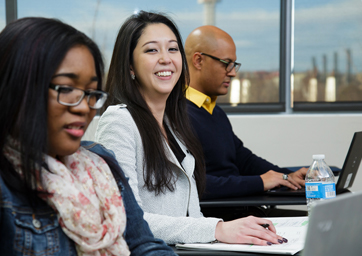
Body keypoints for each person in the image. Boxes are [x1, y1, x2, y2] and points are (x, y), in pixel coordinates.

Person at [95, 11, 288, 246]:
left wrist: (223, 237)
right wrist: (217, 228)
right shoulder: (118, 121)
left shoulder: (174, 125)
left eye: (173, 49)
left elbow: (192, 214)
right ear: (130, 67)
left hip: (189, 248)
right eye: (152, 50)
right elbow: (127, 219)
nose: (166, 59)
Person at [0, 17, 177, 256]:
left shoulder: (101, 163)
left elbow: (142, 245)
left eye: (91, 92)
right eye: (67, 89)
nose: (84, 108)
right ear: (19, 87)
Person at [184, 26, 308, 205]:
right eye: (226, 63)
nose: (233, 73)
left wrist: (286, 176)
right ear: (198, 61)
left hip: (240, 206)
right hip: (219, 217)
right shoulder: (176, 116)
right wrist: (260, 182)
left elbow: (244, 159)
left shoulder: (214, 111)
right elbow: (191, 184)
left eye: (234, 65)